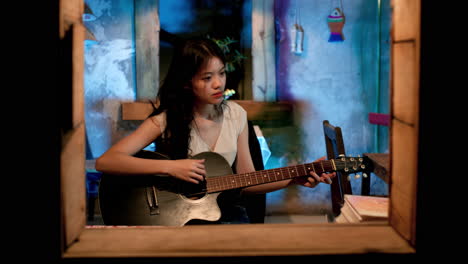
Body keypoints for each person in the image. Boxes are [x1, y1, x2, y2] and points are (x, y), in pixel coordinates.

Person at [95, 36, 335, 224]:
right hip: (176, 217)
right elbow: (106, 161)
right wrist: (170, 166)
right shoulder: (167, 120)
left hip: (219, 213)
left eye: (221, 73)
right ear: (187, 83)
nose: (219, 83)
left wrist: (293, 178)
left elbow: (248, 182)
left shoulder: (236, 115)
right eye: (207, 77)